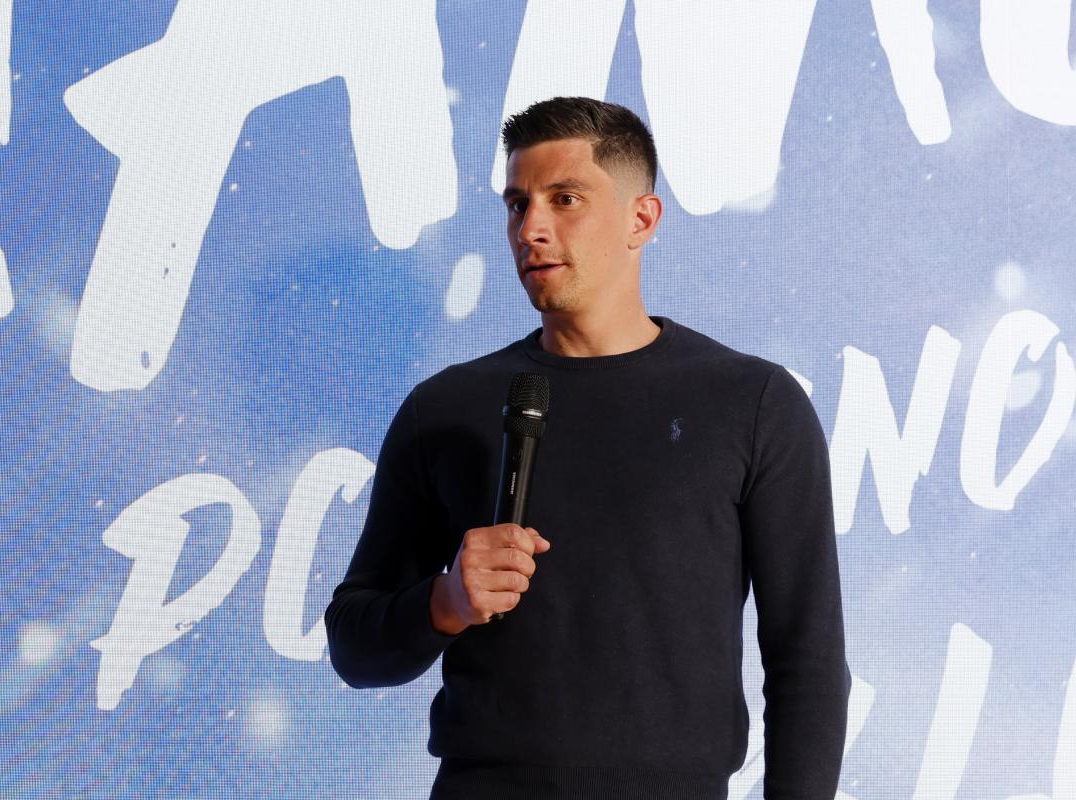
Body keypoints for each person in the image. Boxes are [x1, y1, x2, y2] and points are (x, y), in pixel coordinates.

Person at [325, 96, 849, 799]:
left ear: (642, 219)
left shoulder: (753, 404)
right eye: (518, 205)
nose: (530, 229)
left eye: (564, 199)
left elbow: (807, 659)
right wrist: (446, 600)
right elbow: (354, 646)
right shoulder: (445, 409)